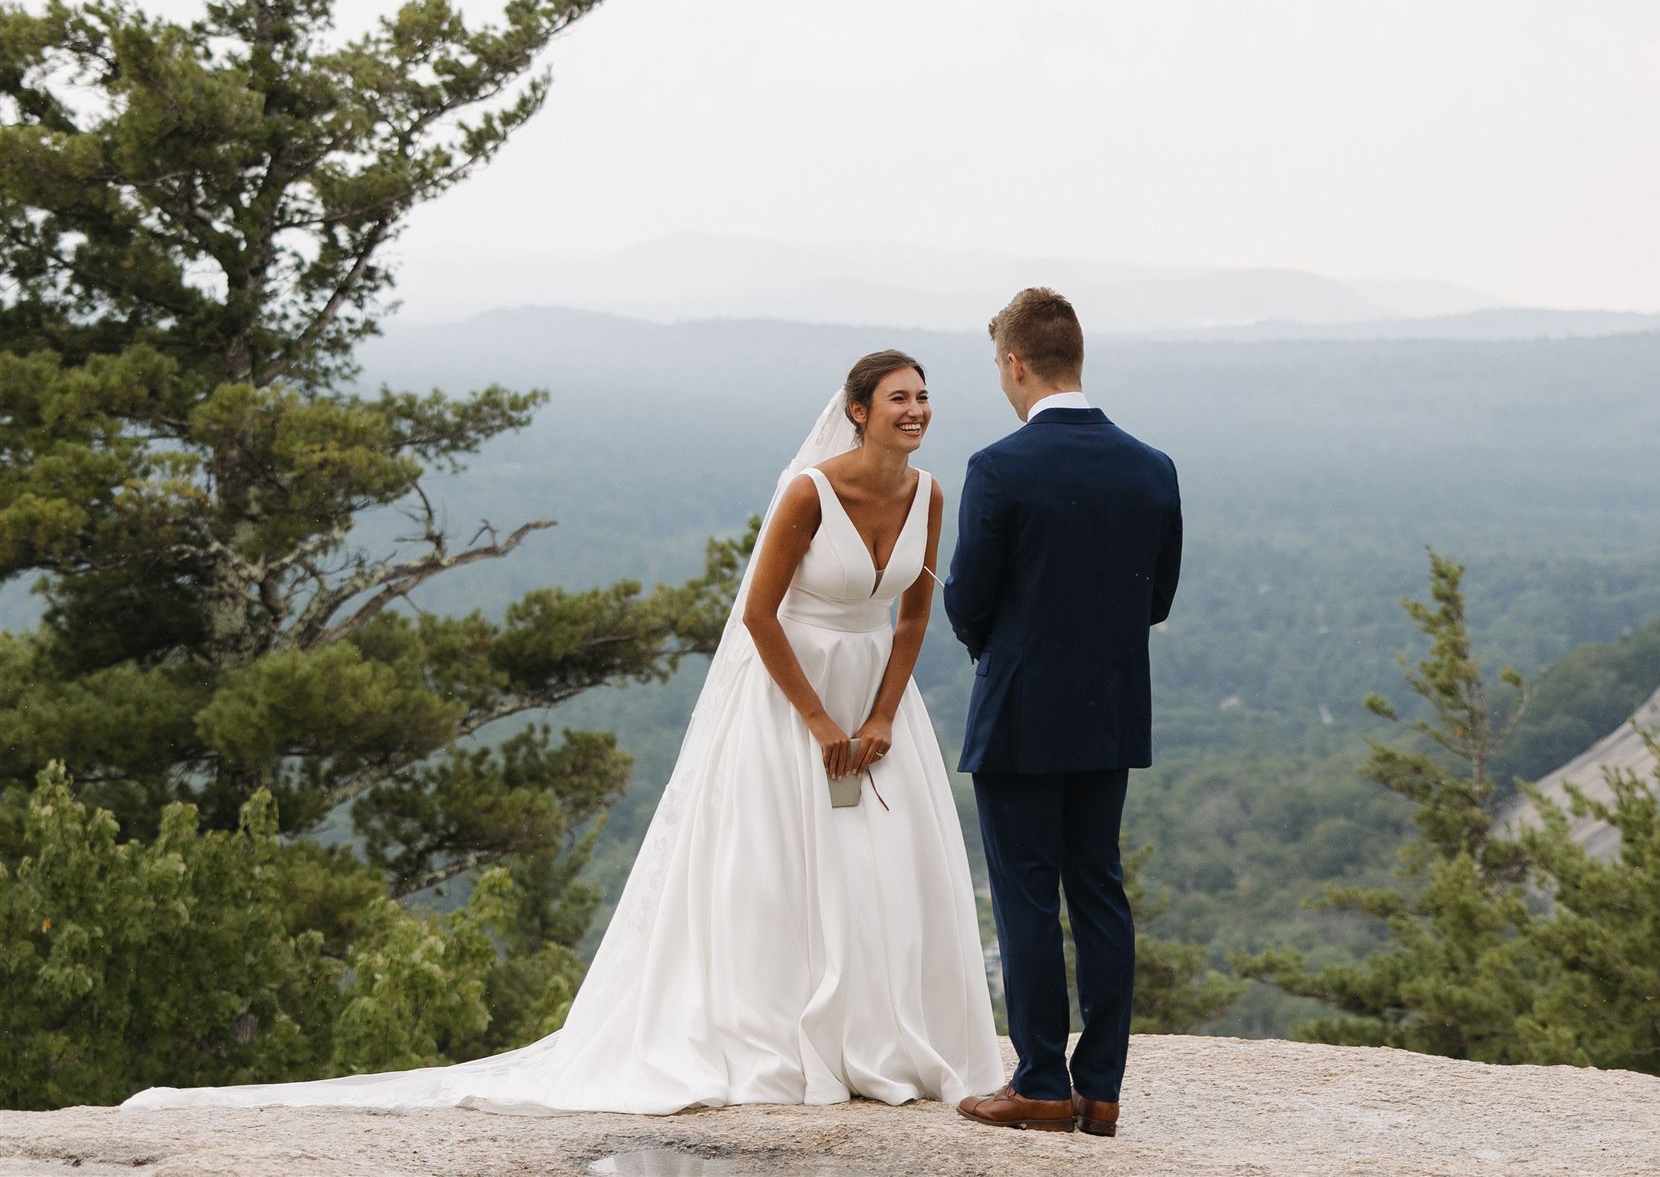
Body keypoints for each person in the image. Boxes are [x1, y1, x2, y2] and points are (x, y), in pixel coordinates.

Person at [122, 351, 1003, 1115]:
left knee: (880, 862)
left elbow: (916, 614)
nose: (917, 410)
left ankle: (880, 1035)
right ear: (858, 411)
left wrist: (883, 711)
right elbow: (759, 615)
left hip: (879, 701)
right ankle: (788, 1033)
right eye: (900, 398)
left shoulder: (929, 490)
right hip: (790, 694)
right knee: (778, 864)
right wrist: (816, 716)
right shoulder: (809, 492)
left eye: (923, 396)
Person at [944, 289, 1183, 1138]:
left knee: (1025, 897)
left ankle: (1041, 1080)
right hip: (1112, 711)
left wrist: (1003, 644)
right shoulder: (1153, 467)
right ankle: (1103, 1087)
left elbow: (966, 600)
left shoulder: (999, 467)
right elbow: (1157, 597)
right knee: (1100, 891)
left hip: (1018, 710)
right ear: (1077, 355)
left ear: (1015, 363)